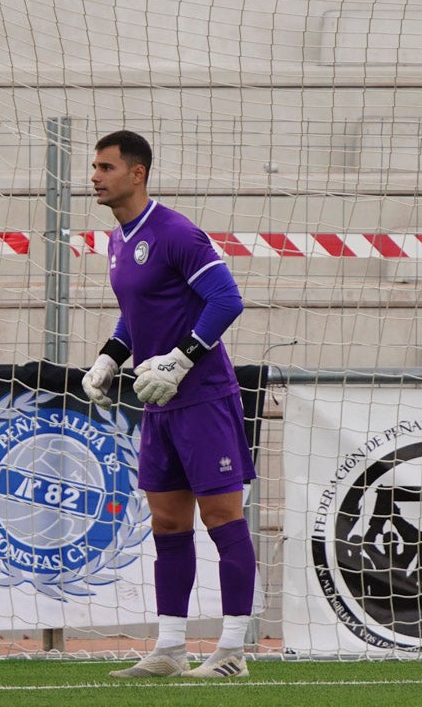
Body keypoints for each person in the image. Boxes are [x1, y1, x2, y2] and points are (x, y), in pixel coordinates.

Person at [82, 130, 257, 679]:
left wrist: (181, 360)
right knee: (166, 521)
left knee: (223, 516)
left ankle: (232, 651)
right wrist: (112, 356)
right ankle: (171, 648)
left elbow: (227, 299)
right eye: (94, 167)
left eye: (106, 167)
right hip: (156, 401)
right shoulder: (116, 240)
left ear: (137, 173)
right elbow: (137, 312)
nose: (94, 176)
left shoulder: (176, 232)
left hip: (203, 398)